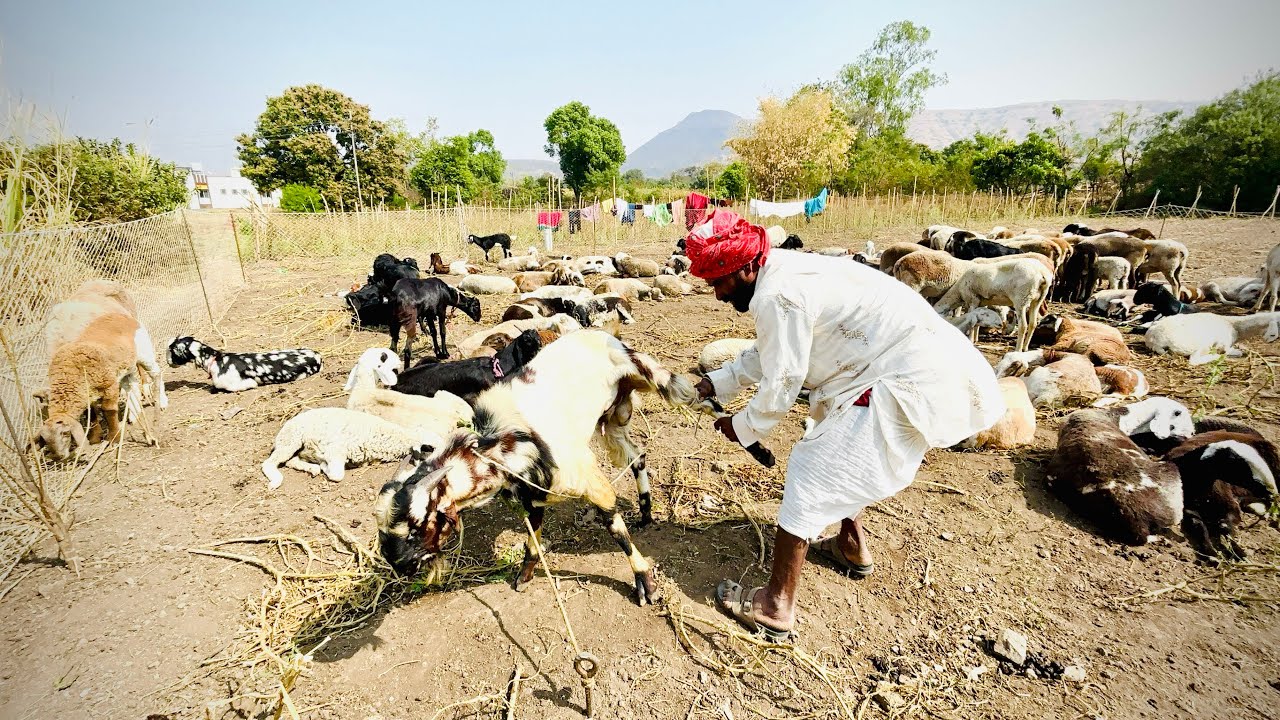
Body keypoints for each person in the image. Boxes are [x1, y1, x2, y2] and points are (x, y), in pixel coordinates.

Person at [685, 209, 1004, 641]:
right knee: (835, 447)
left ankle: (776, 605)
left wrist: (742, 426)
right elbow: (771, 351)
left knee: (812, 470)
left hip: (902, 375)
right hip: (887, 363)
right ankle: (850, 545)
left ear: (743, 268)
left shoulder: (780, 294)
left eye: (718, 282)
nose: (718, 295)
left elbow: (783, 379)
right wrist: (716, 383)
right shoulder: (780, 274)